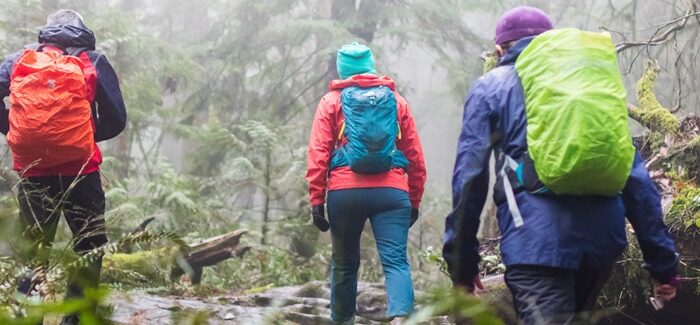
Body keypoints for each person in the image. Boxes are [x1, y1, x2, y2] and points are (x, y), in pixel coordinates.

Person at [443, 6, 679, 324]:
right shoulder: (586, 86)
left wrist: (462, 265)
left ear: (499, 50)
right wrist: (662, 263)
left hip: (535, 243)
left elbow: (469, 177)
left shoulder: (491, 86)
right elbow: (634, 175)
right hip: (601, 243)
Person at [0, 9, 126, 325]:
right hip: (82, 171)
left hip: (33, 170)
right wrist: (82, 135)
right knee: (89, 246)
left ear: (47, 34)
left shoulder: (19, 60)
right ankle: (77, 319)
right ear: (82, 32)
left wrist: (12, 130)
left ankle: (26, 320)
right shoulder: (93, 61)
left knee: (33, 249)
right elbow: (117, 119)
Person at [306, 42, 426, 324]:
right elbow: (415, 156)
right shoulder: (396, 102)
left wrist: (316, 200)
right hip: (392, 192)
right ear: (370, 65)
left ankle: (342, 320)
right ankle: (401, 319)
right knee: (396, 261)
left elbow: (318, 153)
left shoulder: (331, 102)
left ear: (342, 69)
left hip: (345, 193)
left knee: (344, 265)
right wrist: (414, 198)